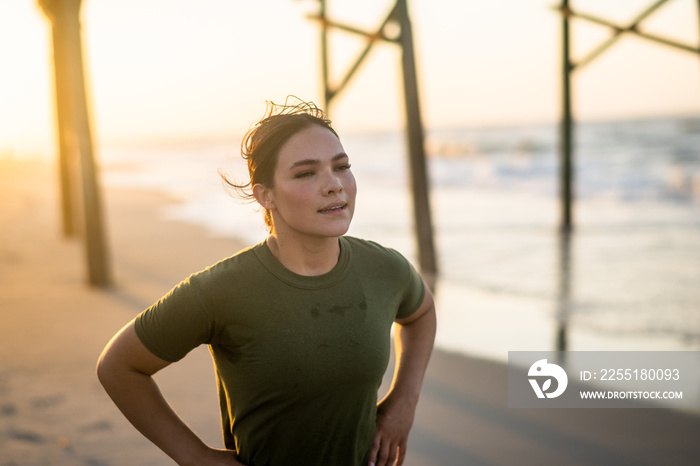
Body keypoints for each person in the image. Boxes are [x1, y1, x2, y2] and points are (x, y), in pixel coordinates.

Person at [97, 98, 436, 466]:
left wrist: (405, 400)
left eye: (342, 166)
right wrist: (196, 457)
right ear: (265, 195)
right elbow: (118, 366)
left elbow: (421, 314)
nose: (335, 185)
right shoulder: (221, 290)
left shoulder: (384, 268)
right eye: (306, 173)